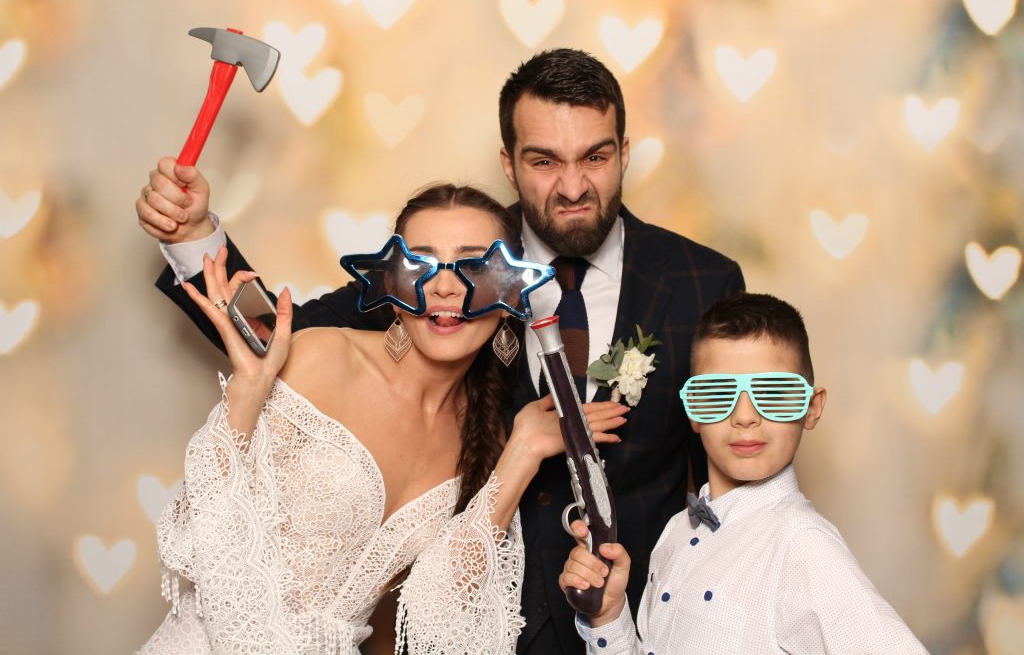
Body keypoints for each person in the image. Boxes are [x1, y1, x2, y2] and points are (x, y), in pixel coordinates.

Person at [136, 48, 745, 653]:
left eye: (595, 157)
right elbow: (273, 342)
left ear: (624, 153)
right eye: (543, 160)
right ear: (509, 163)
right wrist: (194, 237)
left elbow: (729, 473)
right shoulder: (445, 257)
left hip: (629, 625)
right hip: (488, 630)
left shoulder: (703, 281)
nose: (572, 186)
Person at [135, 183, 629, 654]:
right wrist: (246, 392)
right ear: (392, 283)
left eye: (474, 266)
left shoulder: (483, 434)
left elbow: (443, 626)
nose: (444, 286)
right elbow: (207, 538)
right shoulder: (321, 357)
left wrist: (522, 453)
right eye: (421, 264)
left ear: (510, 297)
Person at [558, 293, 928, 654]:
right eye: (718, 393)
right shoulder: (676, 532)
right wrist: (608, 617)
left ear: (811, 408)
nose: (745, 417)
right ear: (692, 409)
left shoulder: (803, 546)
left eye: (773, 392)